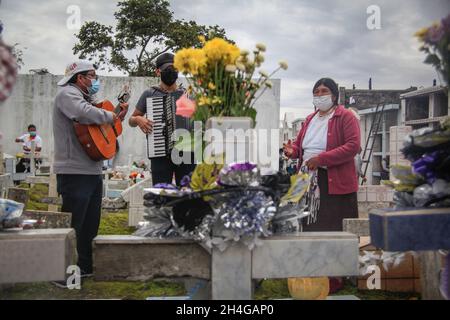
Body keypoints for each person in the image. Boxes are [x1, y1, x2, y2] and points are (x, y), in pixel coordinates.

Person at [284, 78, 361, 294]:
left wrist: (322, 159)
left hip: (332, 183)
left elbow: (353, 146)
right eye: (316, 91)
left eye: (324, 91)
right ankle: (313, 272)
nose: (320, 94)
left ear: (334, 95)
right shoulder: (310, 119)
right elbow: (299, 147)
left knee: (331, 229)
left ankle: (334, 277)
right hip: (308, 180)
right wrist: (293, 151)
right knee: (309, 226)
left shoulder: (345, 116)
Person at [53, 60, 128, 278]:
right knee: (73, 224)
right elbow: (84, 113)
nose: (95, 80)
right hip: (74, 170)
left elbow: (102, 129)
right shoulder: (67, 94)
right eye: (92, 76)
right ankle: (62, 272)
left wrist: (117, 116)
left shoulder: (87, 99)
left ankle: (85, 268)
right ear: (80, 77)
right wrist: (111, 115)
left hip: (92, 170)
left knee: (90, 225)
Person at [129, 53, 195, 186]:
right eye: (167, 69)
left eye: (174, 68)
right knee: (161, 195)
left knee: (188, 195)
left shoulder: (188, 95)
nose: (171, 71)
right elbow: (131, 120)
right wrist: (138, 119)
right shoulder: (149, 94)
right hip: (160, 154)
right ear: (158, 71)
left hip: (187, 153)